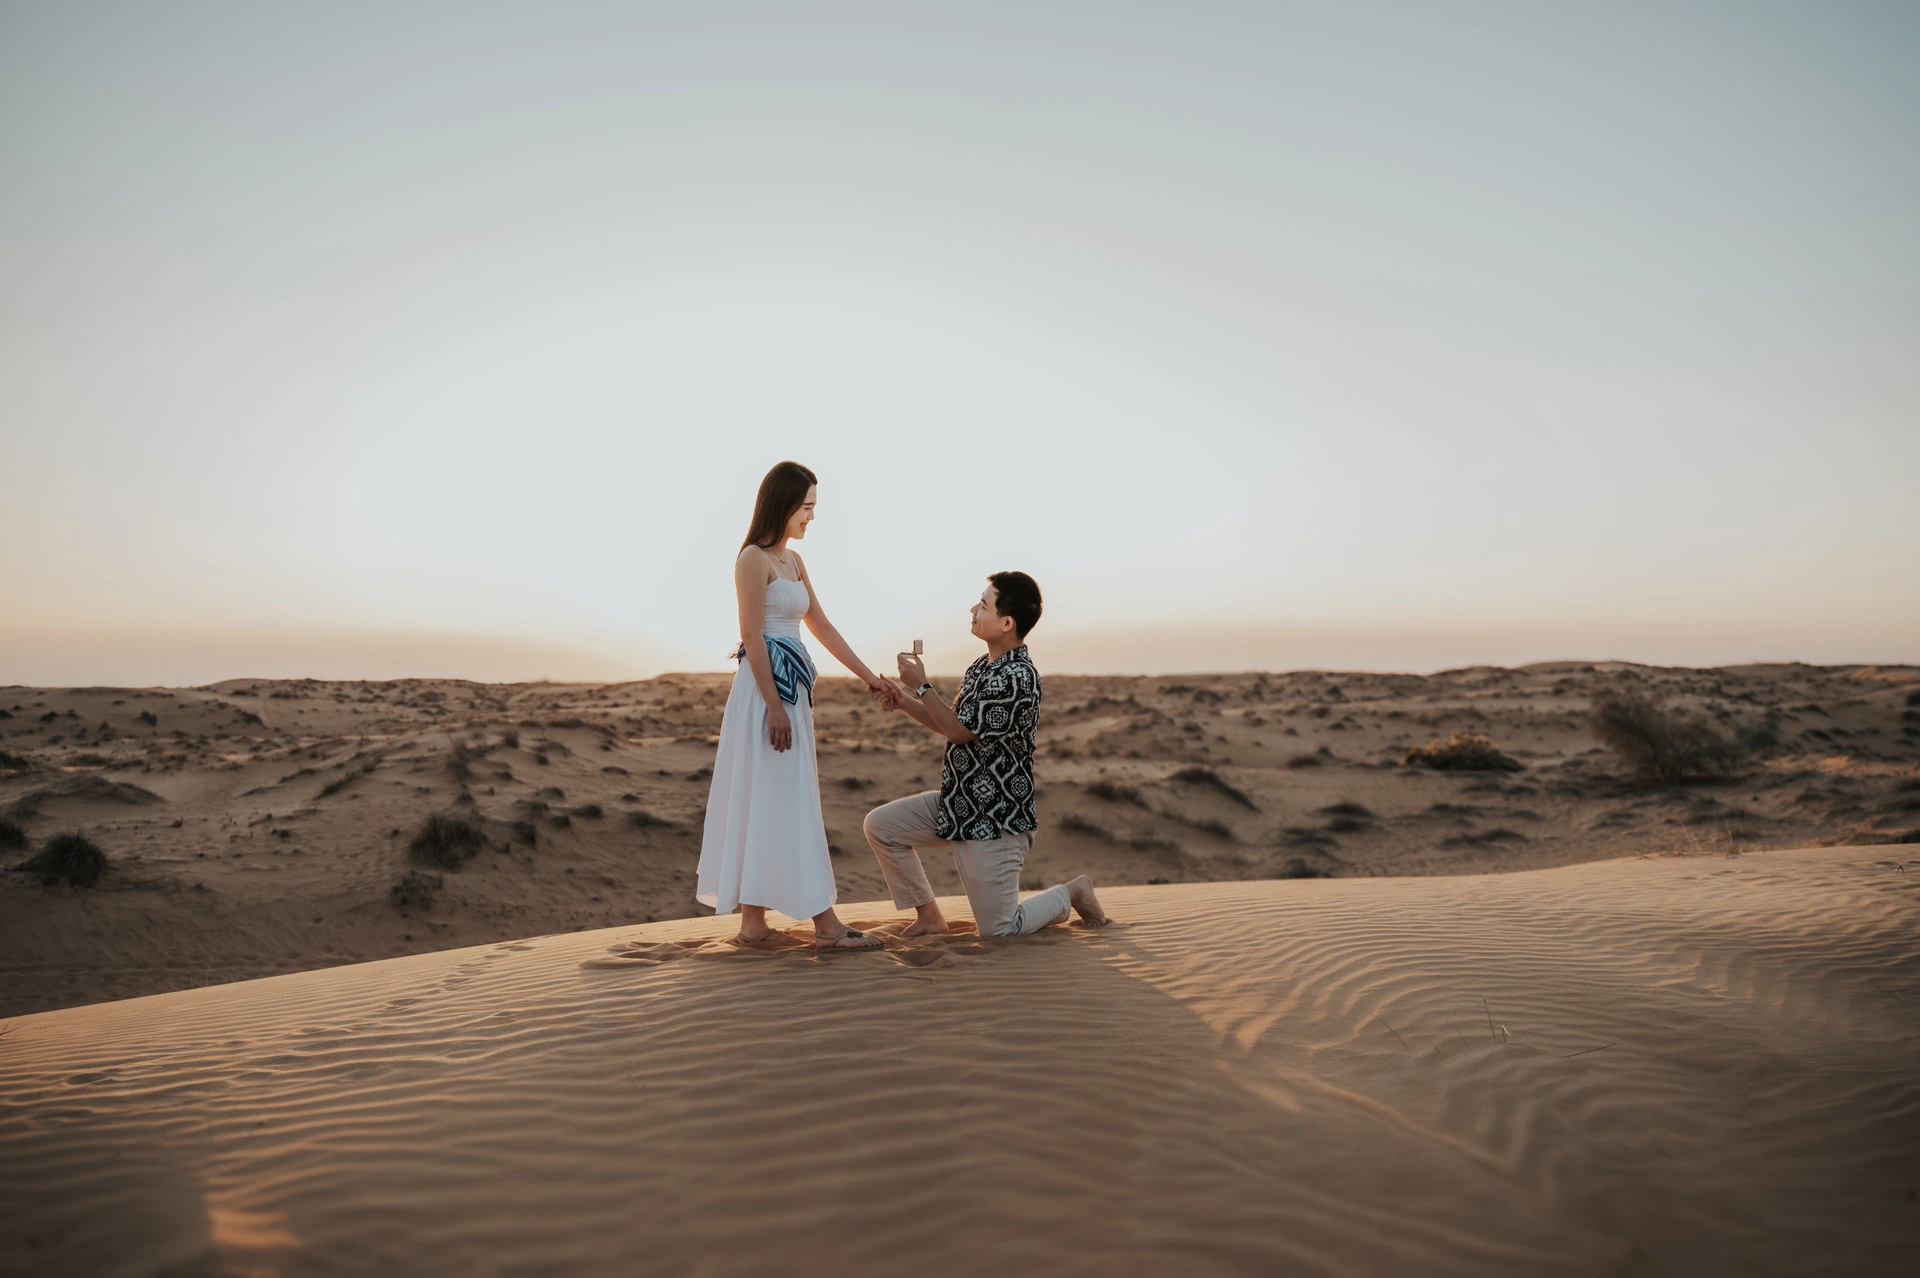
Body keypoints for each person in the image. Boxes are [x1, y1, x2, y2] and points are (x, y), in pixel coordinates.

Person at [695, 461, 889, 949]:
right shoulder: (752, 559)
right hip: (765, 696)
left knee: (782, 796)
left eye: (814, 507)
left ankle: (754, 924)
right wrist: (774, 706)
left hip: (793, 691)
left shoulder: (795, 563)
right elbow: (751, 637)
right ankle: (825, 926)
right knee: (775, 796)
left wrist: (870, 678)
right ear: (782, 504)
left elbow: (821, 627)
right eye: (806, 507)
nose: (812, 517)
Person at [863, 572, 1110, 937]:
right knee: (882, 827)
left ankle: (1071, 892)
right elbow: (951, 724)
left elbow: (959, 732)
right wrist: (904, 702)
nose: (973, 610)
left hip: (996, 819)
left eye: (983, 605)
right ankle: (930, 917)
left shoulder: (1018, 676)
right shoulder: (981, 666)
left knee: (1000, 930)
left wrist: (923, 684)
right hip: (958, 805)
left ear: (1007, 623)